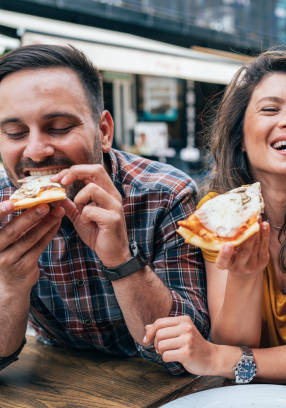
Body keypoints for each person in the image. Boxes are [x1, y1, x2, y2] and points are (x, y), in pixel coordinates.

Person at [143, 50, 286, 390]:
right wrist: (245, 276)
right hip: (252, 391)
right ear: (239, 135)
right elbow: (234, 342)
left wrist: (211, 359)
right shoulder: (216, 213)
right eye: (270, 109)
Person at [0, 44, 209, 374]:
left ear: (104, 131)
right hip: (54, 378)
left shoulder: (165, 195)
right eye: (15, 132)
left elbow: (186, 354)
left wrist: (122, 260)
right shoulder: (2, 211)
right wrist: (9, 286)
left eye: (59, 127)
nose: (37, 151)